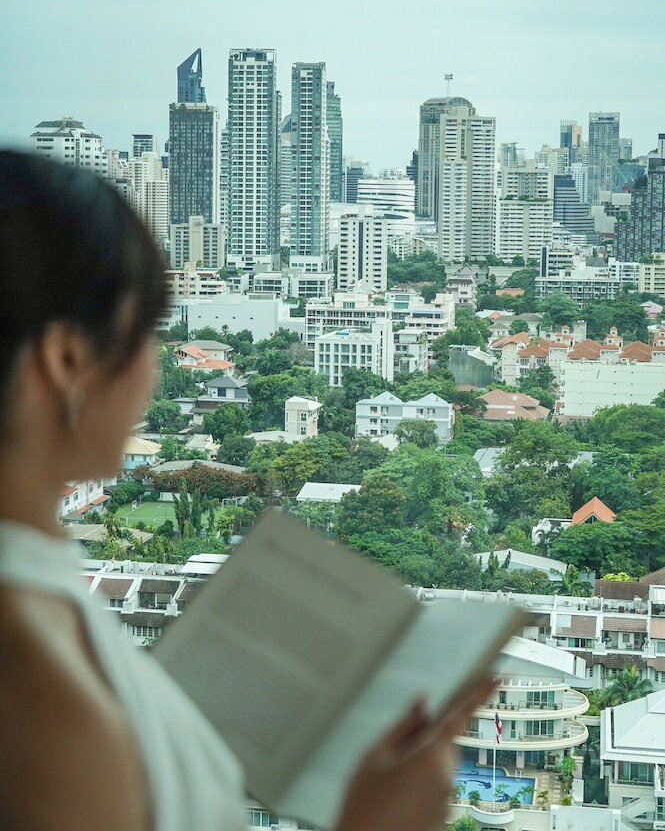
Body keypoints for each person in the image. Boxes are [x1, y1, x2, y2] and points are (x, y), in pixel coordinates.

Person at [0, 149, 491, 831]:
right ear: (67, 361)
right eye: (148, 334)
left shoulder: (41, 606)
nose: (155, 372)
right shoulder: (38, 688)